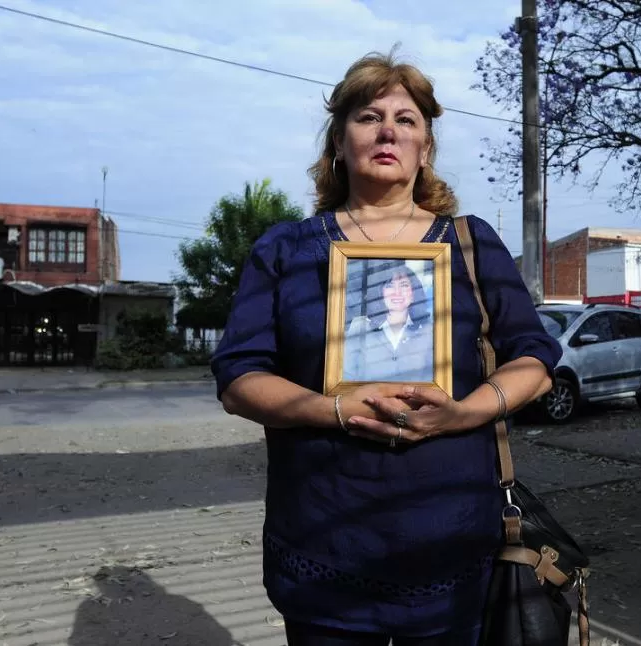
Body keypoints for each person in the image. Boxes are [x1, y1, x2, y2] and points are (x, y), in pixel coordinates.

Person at [210, 50, 562, 645]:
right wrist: (336, 409)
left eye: (407, 119)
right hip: (325, 538)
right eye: (369, 116)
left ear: (425, 146)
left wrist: (465, 412)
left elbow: (535, 359)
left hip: (452, 542)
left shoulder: (470, 244)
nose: (388, 131)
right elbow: (239, 375)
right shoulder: (286, 249)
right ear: (338, 143)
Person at [344, 260, 434, 383]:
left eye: (404, 285)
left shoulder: (430, 331)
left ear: (413, 294)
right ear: (380, 293)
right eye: (390, 286)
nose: (397, 293)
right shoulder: (359, 327)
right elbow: (346, 377)